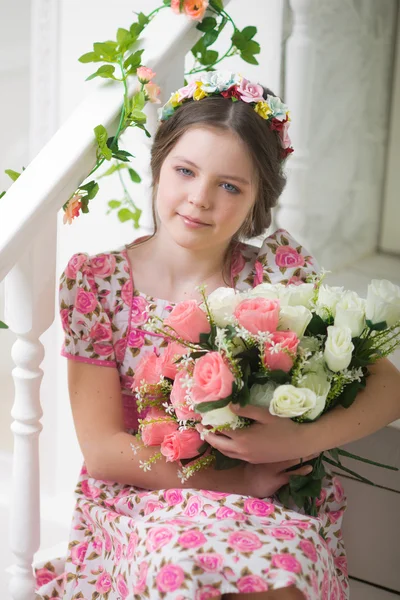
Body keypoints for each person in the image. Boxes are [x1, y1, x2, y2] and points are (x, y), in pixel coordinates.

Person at [34, 71, 400, 600]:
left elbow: (388, 387)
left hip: (266, 502)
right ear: (160, 169)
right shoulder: (102, 283)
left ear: (258, 201)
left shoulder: (278, 276)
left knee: (274, 576)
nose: (200, 198)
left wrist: (295, 440)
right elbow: (105, 450)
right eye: (185, 171)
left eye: (230, 185)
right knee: (179, 565)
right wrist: (233, 482)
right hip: (146, 496)